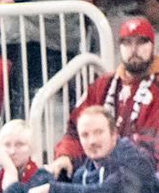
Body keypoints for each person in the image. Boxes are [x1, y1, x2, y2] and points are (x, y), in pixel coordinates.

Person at [6, 104, 159, 193]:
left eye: (99, 132)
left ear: (113, 134)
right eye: (85, 135)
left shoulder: (134, 158)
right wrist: (42, 174)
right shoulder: (83, 171)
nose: (92, 141)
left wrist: (52, 190)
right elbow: (35, 191)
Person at [51, 16, 159, 165]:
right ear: (120, 47)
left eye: (141, 42)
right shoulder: (102, 85)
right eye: (127, 43)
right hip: (99, 169)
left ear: (153, 46)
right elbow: (75, 131)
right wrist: (65, 156)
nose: (134, 49)